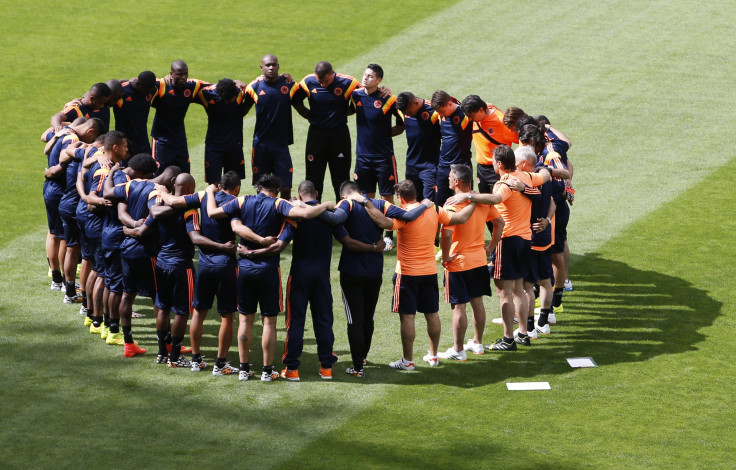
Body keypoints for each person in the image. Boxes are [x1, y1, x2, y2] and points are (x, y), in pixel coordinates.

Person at [207, 173, 333, 382]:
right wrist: (326, 204)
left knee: (245, 320)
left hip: (244, 269)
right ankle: (267, 370)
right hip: (268, 270)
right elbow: (308, 214)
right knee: (269, 322)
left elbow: (213, 213)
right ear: (276, 190)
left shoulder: (241, 201)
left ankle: (244, 369)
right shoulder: (278, 204)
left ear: (258, 187)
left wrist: (211, 191)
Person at [353, 180, 476, 370]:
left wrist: (366, 203)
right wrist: (475, 200)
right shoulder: (433, 209)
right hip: (429, 271)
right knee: (432, 314)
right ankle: (433, 356)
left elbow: (383, 222)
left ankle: (408, 361)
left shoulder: (403, 215)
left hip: (407, 274)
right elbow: (459, 218)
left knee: (408, 317)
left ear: (401, 198)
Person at [446, 145, 550, 350]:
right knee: (519, 289)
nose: (491, 164)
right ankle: (523, 333)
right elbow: (545, 175)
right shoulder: (526, 176)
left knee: (505, 293)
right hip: (525, 239)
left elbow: (495, 199)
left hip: (507, 240)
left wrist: (468, 196)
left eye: (493, 161)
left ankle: (508, 339)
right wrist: (550, 170)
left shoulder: (504, 183)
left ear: (500, 164)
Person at [331, 181, 431, 377]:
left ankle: (358, 367)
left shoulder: (345, 205)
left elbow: (346, 240)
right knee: (368, 317)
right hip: (374, 272)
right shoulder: (379, 204)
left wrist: (373, 247)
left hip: (352, 271)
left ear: (344, 195)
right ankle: (363, 357)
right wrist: (425, 204)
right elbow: (408, 216)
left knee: (355, 319)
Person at [155, 171, 242, 375]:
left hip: (203, 265)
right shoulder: (236, 203)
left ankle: (195, 360)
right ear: (236, 188)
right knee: (227, 316)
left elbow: (173, 201)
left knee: (199, 313)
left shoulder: (202, 197)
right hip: (226, 265)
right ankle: (220, 364)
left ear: (220, 185)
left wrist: (162, 191)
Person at [104, 162, 182, 358]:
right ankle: (166, 345)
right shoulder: (156, 193)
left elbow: (117, 204)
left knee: (127, 294)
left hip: (127, 249)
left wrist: (129, 227)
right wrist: (139, 229)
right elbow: (154, 213)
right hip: (147, 251)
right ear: (172, 180)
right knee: (159, 298)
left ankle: (128, 343)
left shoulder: (133, 184)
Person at [439, 164, 504, 361]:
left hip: (458, 263)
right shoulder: (482, 201)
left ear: (457, 182)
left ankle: (458, 350)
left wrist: (445, 256)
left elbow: (447, 235)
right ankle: (477, 343)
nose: (448, 179)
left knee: (459, 307)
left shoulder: (451, 205)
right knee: (478, 303)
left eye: (450, 177)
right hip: (479, 260)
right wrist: (491, 246)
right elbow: (500, 223)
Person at [280, 181, 341, 381]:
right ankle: (326, 367)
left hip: (299, 276)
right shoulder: (329, 217)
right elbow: (345, 238)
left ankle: (292, 369)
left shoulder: (296, 214)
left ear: (299, 194)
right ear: (316, 193)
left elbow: (282, 240)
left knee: (295, 322)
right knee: (324, 321)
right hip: (322, 277)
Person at [44, 118, 104, 300]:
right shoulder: (75, 143)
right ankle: (66, 286)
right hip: (64, 195)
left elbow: (47, 145)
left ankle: (60, 281)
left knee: (56, 235)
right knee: (68, 243)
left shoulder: (65, 134)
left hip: (55, 192)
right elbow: (62, 165)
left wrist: (49, 171)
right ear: (91, 131)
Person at [292, 61, 360, 199]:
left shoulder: (349, 83)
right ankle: (314, 214)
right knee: (313, 177)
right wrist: (307, 114)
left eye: (326, 81)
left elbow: (366, 95)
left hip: (339, 135)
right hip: (316, 135)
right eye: (320, 82)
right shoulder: (308, 82)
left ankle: (343, 212)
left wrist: (344, 112)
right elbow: (295, 99)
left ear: (332, 73)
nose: (323, 84)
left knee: (341, 178)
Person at [244, 54, 304, 199]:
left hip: (281, 144)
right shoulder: (254, 87)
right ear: (261, 67)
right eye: (268, 65)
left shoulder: (289, 84)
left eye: (274, 65)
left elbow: (301, 103)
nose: (271, 68)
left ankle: (284, 218)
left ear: (278, 66)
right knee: (261, 187)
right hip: (261, 145)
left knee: (285, 186)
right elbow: (241, 111)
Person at [150, 60, 210, 174]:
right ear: (171, 74)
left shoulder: (192, 86)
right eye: (179, 74)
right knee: (158, 175)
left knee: (184, 173)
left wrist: (236, 83)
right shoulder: (162, 86)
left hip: (179, 139)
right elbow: (141, 82)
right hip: (161, 140)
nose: (183, 77)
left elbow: (215, 87)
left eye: (185, 74)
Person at [460, 95, 519, 193]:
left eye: (472, 116)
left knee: (497, 203)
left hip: (497, 170)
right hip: (481, 170)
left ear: (481, 110)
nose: (469, 119)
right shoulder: (475, 115)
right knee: (484, 203)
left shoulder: (500, 122)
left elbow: (520, 140)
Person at [196, 78, 249, 185]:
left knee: (233, 183)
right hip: (214, 146)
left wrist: (244, 85)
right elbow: (192, 85)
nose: (229, 101)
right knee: (213, 183)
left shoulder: (240, 92)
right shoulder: (206, 93)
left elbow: (255, 89)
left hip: (234, 144)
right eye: (226, 100)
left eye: (231, 99)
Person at [395, 91, 441, 202]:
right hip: (411, 165)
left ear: (416, 103)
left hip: (430, 166)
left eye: (408, 111)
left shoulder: (433, 110)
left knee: (429, 201)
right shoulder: (402, 110)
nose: (407, 114)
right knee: (412, 199)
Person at [430, 90, 473, 206]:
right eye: (438, 112)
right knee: (440, 204)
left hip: (461, 167)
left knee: (463, 204)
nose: (440, 114)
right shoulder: (439, 114)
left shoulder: (465, 115)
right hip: (443, 167)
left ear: (449, 104)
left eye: (442, 111)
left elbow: (482, 110)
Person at [113, 71, 158, 155]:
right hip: (124, 143)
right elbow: (102, 94)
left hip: (143, 142)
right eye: (146, 91)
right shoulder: (122, 91)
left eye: (150, 91)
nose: (148, 94)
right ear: (138, 84)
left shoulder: (153, 90)